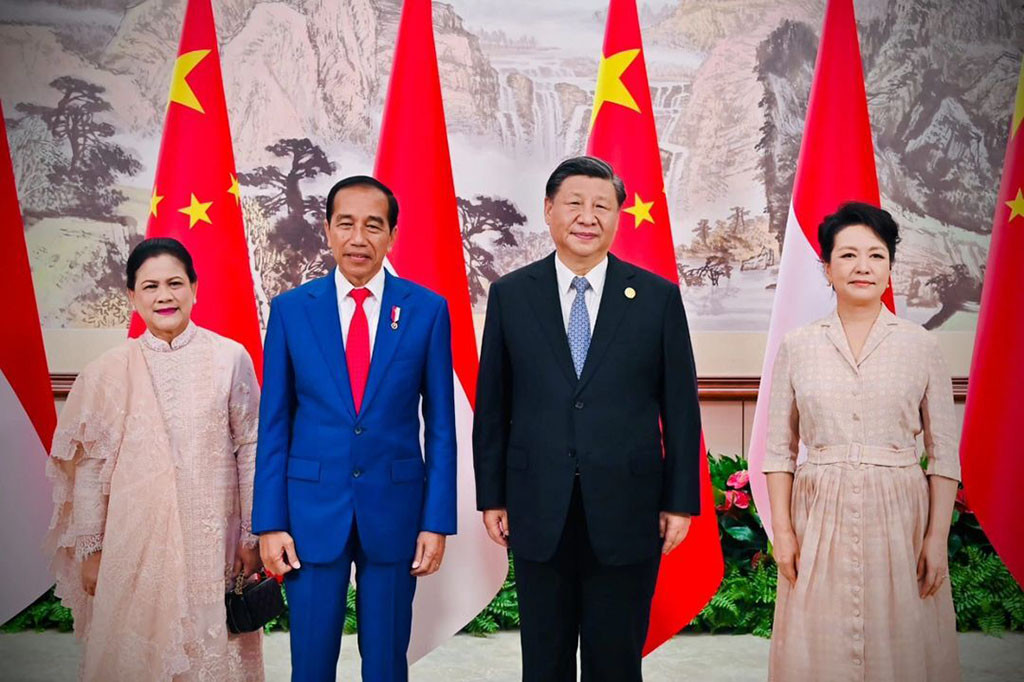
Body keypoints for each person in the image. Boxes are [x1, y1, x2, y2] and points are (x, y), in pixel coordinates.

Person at [473, 156, 702, 682]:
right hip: (537, 504)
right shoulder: (512, 295)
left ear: (618, 216)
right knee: (544, 661)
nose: (588, 216)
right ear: (549, 210)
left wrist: (679, 501)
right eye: (574, 203)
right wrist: (493, 496)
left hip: (628, 507)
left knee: (615, 662)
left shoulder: (656, 298)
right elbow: (494, 406)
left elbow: (680, 409)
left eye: (602, 206)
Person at [253, 175, 457, 682]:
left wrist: (435, 522)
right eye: (346, 224)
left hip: (395, 511)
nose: (358, 238)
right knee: (311, 664)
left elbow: (441, 427)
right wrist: (270, 522)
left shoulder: (426, 310)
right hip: (310, 512)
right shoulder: (291, 311)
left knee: (386, 663)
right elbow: (273, 425)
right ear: (327, 230)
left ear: (392, 235)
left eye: (373, 225)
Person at [47, 238, 263, 681]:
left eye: (175, 283)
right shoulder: (108, 371)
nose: (164, 296)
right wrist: (92, 550)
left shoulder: (228, 358)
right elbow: (90, 468)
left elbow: (251, 447)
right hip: (134, 546)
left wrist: (250, 535)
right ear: (132, 296)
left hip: (212, 544)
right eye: (150, 286)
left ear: (194, 288)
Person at [763, 202, 961, 681]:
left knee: (902, 639)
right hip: (819, 514)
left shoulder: (921, 345)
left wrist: (936, 538)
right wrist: (783, 533)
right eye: (848, 255)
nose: (862, 267)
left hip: (900, 512)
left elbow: (943, 454)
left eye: (876, 255)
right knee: (819, 644)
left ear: (890, 266)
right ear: (827, 267)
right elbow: (778, 451)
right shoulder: (798, 345)